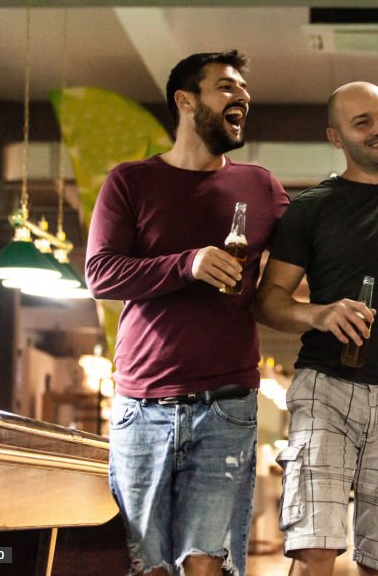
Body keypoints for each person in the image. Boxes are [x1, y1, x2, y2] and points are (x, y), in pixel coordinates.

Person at [86, 50, 289, 576]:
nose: (242, 96)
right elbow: (101, 274)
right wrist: (188, 263)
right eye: (225, 87)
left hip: (226, 407)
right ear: (185, 100)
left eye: (244, 88)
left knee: (206, 566)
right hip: (141, 406)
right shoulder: (129, 182)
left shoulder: (261, 186)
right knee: (147, 565)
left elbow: (320, 240)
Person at [254, 81, 378, 576]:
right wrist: (318, 313)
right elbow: (269, 300)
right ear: (335, 137)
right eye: (362, 122)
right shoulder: (311, 207)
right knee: (314, 547)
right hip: (327, 388)